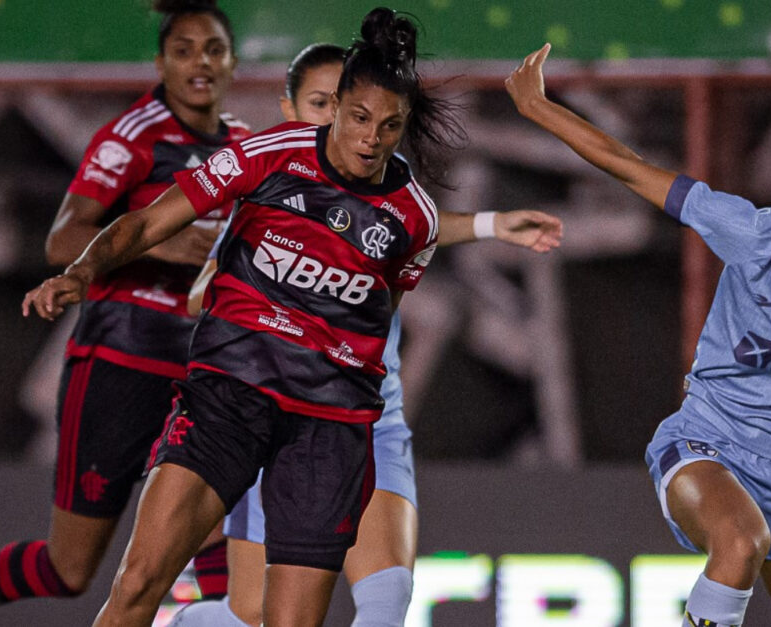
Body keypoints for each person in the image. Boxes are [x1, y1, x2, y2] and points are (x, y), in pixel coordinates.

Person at [23, 7, 471, 627]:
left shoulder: (414, 218)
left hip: (327, 429)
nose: (371, 138)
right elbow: (150, 220)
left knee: (280, 620)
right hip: (228, 401)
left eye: (390, 126)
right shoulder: (270, 154)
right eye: (361, 117)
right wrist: (80, 271)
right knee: (135, 586)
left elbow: (379, 313)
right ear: (336, 105)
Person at [506, 44, 771, 626]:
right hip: (706, 447)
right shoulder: (757, 233)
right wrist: (539, 109)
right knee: (738, 541)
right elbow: (630, 166)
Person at [169, 43, 563, 627]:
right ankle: (185, 623)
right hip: (270, 424)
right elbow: (201, 297)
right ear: (289, 111)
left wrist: (490, 224)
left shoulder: (394, 202)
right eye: (322, 106)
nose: (345, 126)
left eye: (349, 110)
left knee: (385, 605)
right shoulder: (264, 199)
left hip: (367, 425)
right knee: (250, 616)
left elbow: (417, 229)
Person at [0, 0, 245, 608]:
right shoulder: (133, 136)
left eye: (213, 49)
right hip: (120, 360)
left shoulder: (243, 146)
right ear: (160, 62)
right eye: (183, 50)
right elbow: (63, 238)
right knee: (70, 571)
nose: (200, 63)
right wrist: (162, 244)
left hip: (200, 374)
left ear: (233, 61)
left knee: (213, 530)